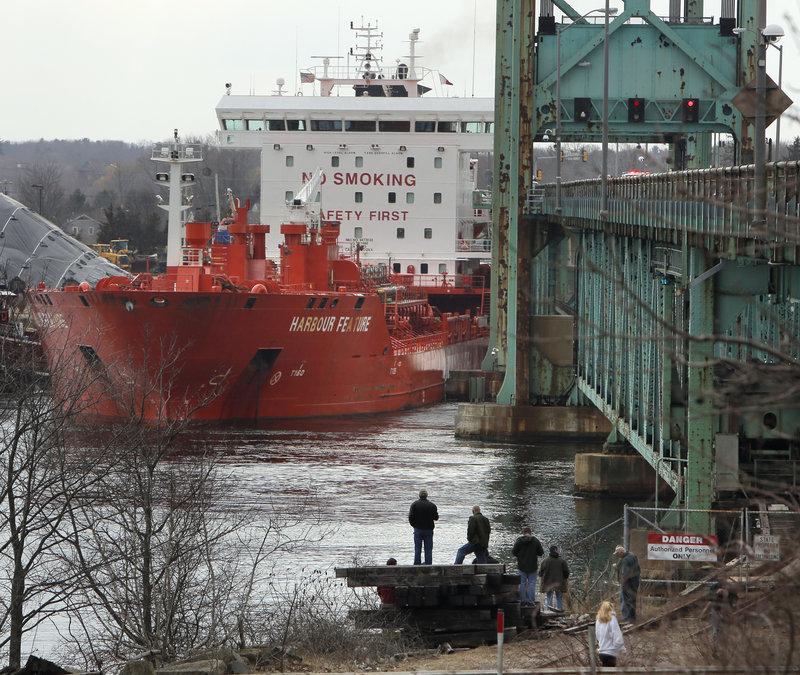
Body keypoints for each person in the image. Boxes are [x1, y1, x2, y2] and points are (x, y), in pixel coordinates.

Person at [511, 527, 544, 604]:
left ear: (523, 533)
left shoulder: (519, 541)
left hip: (521, 566)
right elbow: (541, 552)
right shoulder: (535, 541)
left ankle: (522, 600)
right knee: (532, 584)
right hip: (533, 566)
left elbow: (513, 552)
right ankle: (531, 601)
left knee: (522, 584)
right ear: (530, 533)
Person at [408, 489, 439, 565]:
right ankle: (428, 564)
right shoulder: (432, 505)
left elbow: (410, 517)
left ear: (419, 495)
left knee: (417, 548)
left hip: (418, 529)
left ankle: (417, 564)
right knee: (428, 549)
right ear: (426, 496)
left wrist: (414, 525)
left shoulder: (414, 505)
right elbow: (436, 518)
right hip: (428, 530)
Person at [595, 600, 626, 667]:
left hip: (602, 652)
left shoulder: (598, 620)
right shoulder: (612, 619)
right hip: (611, 653)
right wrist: (622, 649)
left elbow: (597, 636)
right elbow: (617, 636)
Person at [539, 545, 570, 611]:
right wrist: (565, 577)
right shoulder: (561, 561)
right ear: (556, 550)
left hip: (548, 583)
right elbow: (566, 572)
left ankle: (548, 612)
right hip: (559, 584)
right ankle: (560, 612)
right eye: (557, 550)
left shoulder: (545, 561)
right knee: (559, 598)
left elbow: (540, 573)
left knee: (548, 597)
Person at [615, 544, 640, 623]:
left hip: (627, 584)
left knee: (625, 601)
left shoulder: (625, 560)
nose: (617, 555)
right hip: (635, 581)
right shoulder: (633, 556)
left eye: (617, 553)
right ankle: (632, 618)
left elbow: (625, 573)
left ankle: (626, 618)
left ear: (621, 552)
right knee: (632, 600)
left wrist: (622, 583)